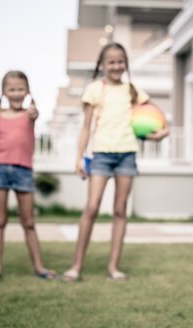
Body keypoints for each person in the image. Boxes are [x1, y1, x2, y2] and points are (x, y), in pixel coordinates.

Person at [62, 42, 168, 282]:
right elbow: (86, 128)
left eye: (120, 61)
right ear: (102, 65)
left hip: (127, 156)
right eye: (111, 62)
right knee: (91, 208)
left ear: (125, 64)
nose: (116, 66)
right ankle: (76, 266)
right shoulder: (94, 89)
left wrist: (165, 131)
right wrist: (79, 158)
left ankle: (113, 268)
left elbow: (155, 113)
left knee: (120, 211)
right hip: (101, 155)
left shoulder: (132, 90)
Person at [0, 70, 56, 283]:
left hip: (24, 171)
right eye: (11, 89)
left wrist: (34, 110)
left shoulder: (29, 113)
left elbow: (35, 114)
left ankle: (39, 267)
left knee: (29, 222)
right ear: (4, 91)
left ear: (27, 91)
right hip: (0, 170)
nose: (16, 93)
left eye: (20, 89)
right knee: (0, 221)